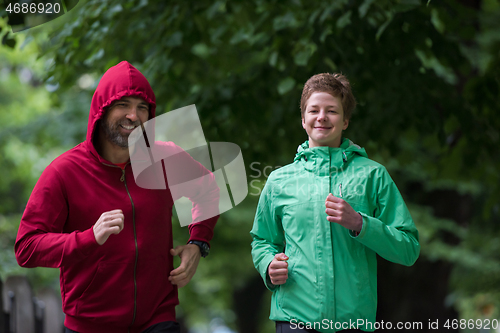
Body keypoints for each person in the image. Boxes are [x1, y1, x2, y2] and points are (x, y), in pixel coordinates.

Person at [15, 61, 219, 333]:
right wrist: (89, 237)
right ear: (102, 109)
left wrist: (198, 242)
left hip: (158, 318)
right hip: (89, 324)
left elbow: (208, 188)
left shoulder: (165, 158)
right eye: (123, 104)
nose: (133, 116)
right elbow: (27, 247)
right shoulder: (64, 172)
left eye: (142, 107)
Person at [250, 73, 420, 333]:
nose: (322, 117)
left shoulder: (373, 175)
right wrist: (268, 265)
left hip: (353, 320)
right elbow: (262, 241)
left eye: (332, 110)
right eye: (314, 110)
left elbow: (408, 249)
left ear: (345, 120)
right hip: (294, 318)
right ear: (303, 119)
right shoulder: (278, 180)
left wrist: (361, 223)